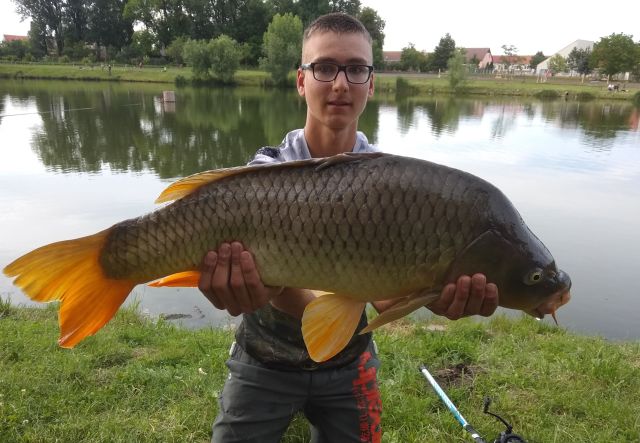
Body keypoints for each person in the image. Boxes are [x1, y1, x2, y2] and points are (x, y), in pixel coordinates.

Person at [198, 13, 499, 443]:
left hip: (347, 362)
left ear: (371, 84)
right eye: (324, 67)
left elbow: (384, 294)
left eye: (356, 69)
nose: (340, 84)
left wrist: (432, 295)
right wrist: (275, 295)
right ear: (301, 80)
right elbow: (291, 295)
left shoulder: (391, 186)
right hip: (265, 358)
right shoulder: (263, 174)